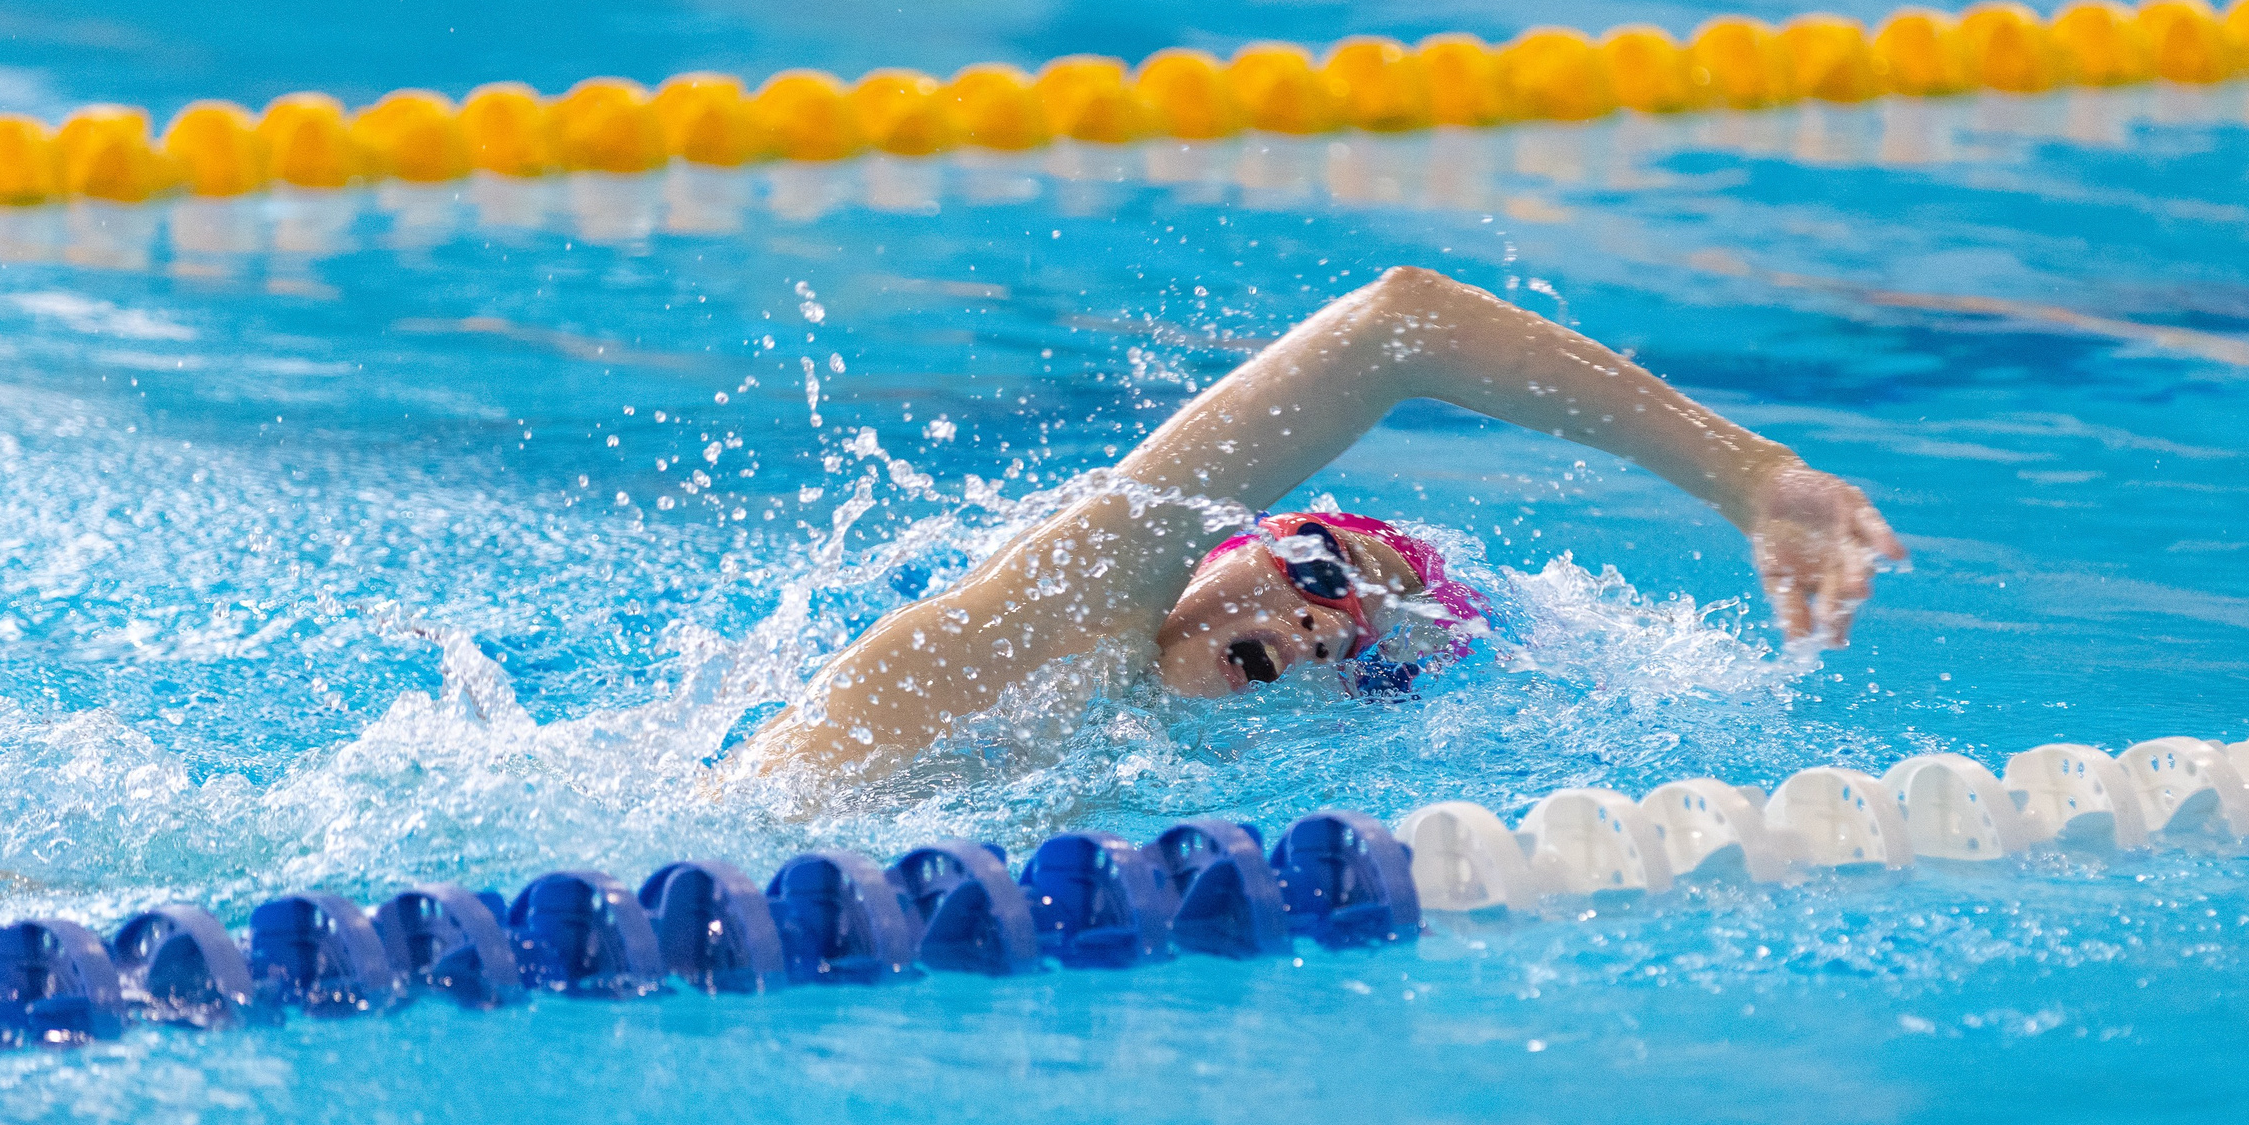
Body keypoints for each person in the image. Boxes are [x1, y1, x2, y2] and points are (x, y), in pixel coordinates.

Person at [733, 265, 1902, 786]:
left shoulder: (1142, 782)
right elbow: (1400, 324)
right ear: (1217, 541)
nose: (1309, 618)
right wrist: (1752, 478)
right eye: (1311, 563)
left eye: (1345, 643)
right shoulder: (1072, 601)